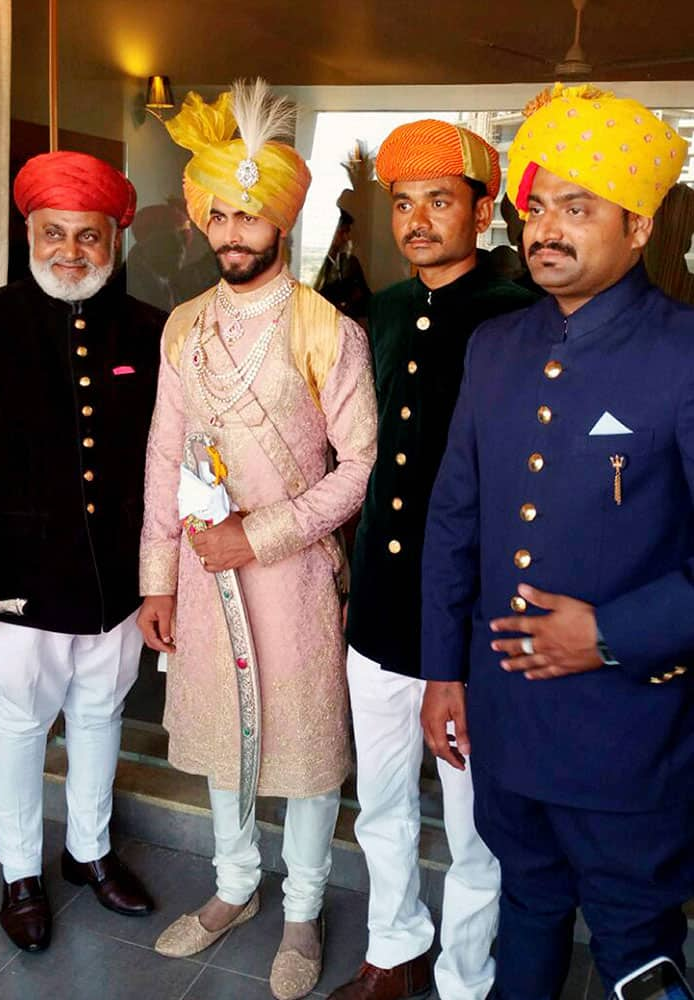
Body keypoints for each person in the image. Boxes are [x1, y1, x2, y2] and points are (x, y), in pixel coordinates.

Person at [421, 83, 694, 999]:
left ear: (639, 227)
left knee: (635, 948)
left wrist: (612, 632)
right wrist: (443, 674)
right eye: (538, 208)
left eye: (578, 209)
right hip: (507, 721)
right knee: (527, 913)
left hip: (630, 732)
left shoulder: (682, 353)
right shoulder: (495, 346)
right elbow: (455, 517)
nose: (547, 229)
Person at [137, 80, 376, 1000]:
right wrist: (158, 577)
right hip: (202, 582)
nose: (233, 232)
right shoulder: (182, 326)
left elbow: (359, 468)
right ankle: (235, 885)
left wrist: (261, 534)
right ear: (203, 218)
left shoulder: (331, 331)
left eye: (251, 216)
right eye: (221, 215)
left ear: (281, 221)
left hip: (295, 580)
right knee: (223, 743)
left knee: (305, 755)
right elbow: (164, 454)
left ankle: (306, 907)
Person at [330, 120, 536, 1000]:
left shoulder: (525, 317)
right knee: (378, 799)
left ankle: (464, 975)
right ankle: (395, 945)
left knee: (474, 819)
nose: (417, 222)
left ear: (483, 210)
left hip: (475, 616)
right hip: (379, 605)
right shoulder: (376, 310)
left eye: (439, 202)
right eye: (404, 204)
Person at [0, 150, 162, 952]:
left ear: (115, 240)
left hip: (117, 581)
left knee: (100, 716)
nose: (70, 251)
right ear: (29, 234)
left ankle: (87, 853)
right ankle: (20, 871)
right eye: (53, 233)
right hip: (18, 583)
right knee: (20, 727)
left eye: (88, 236)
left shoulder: (150, 333)